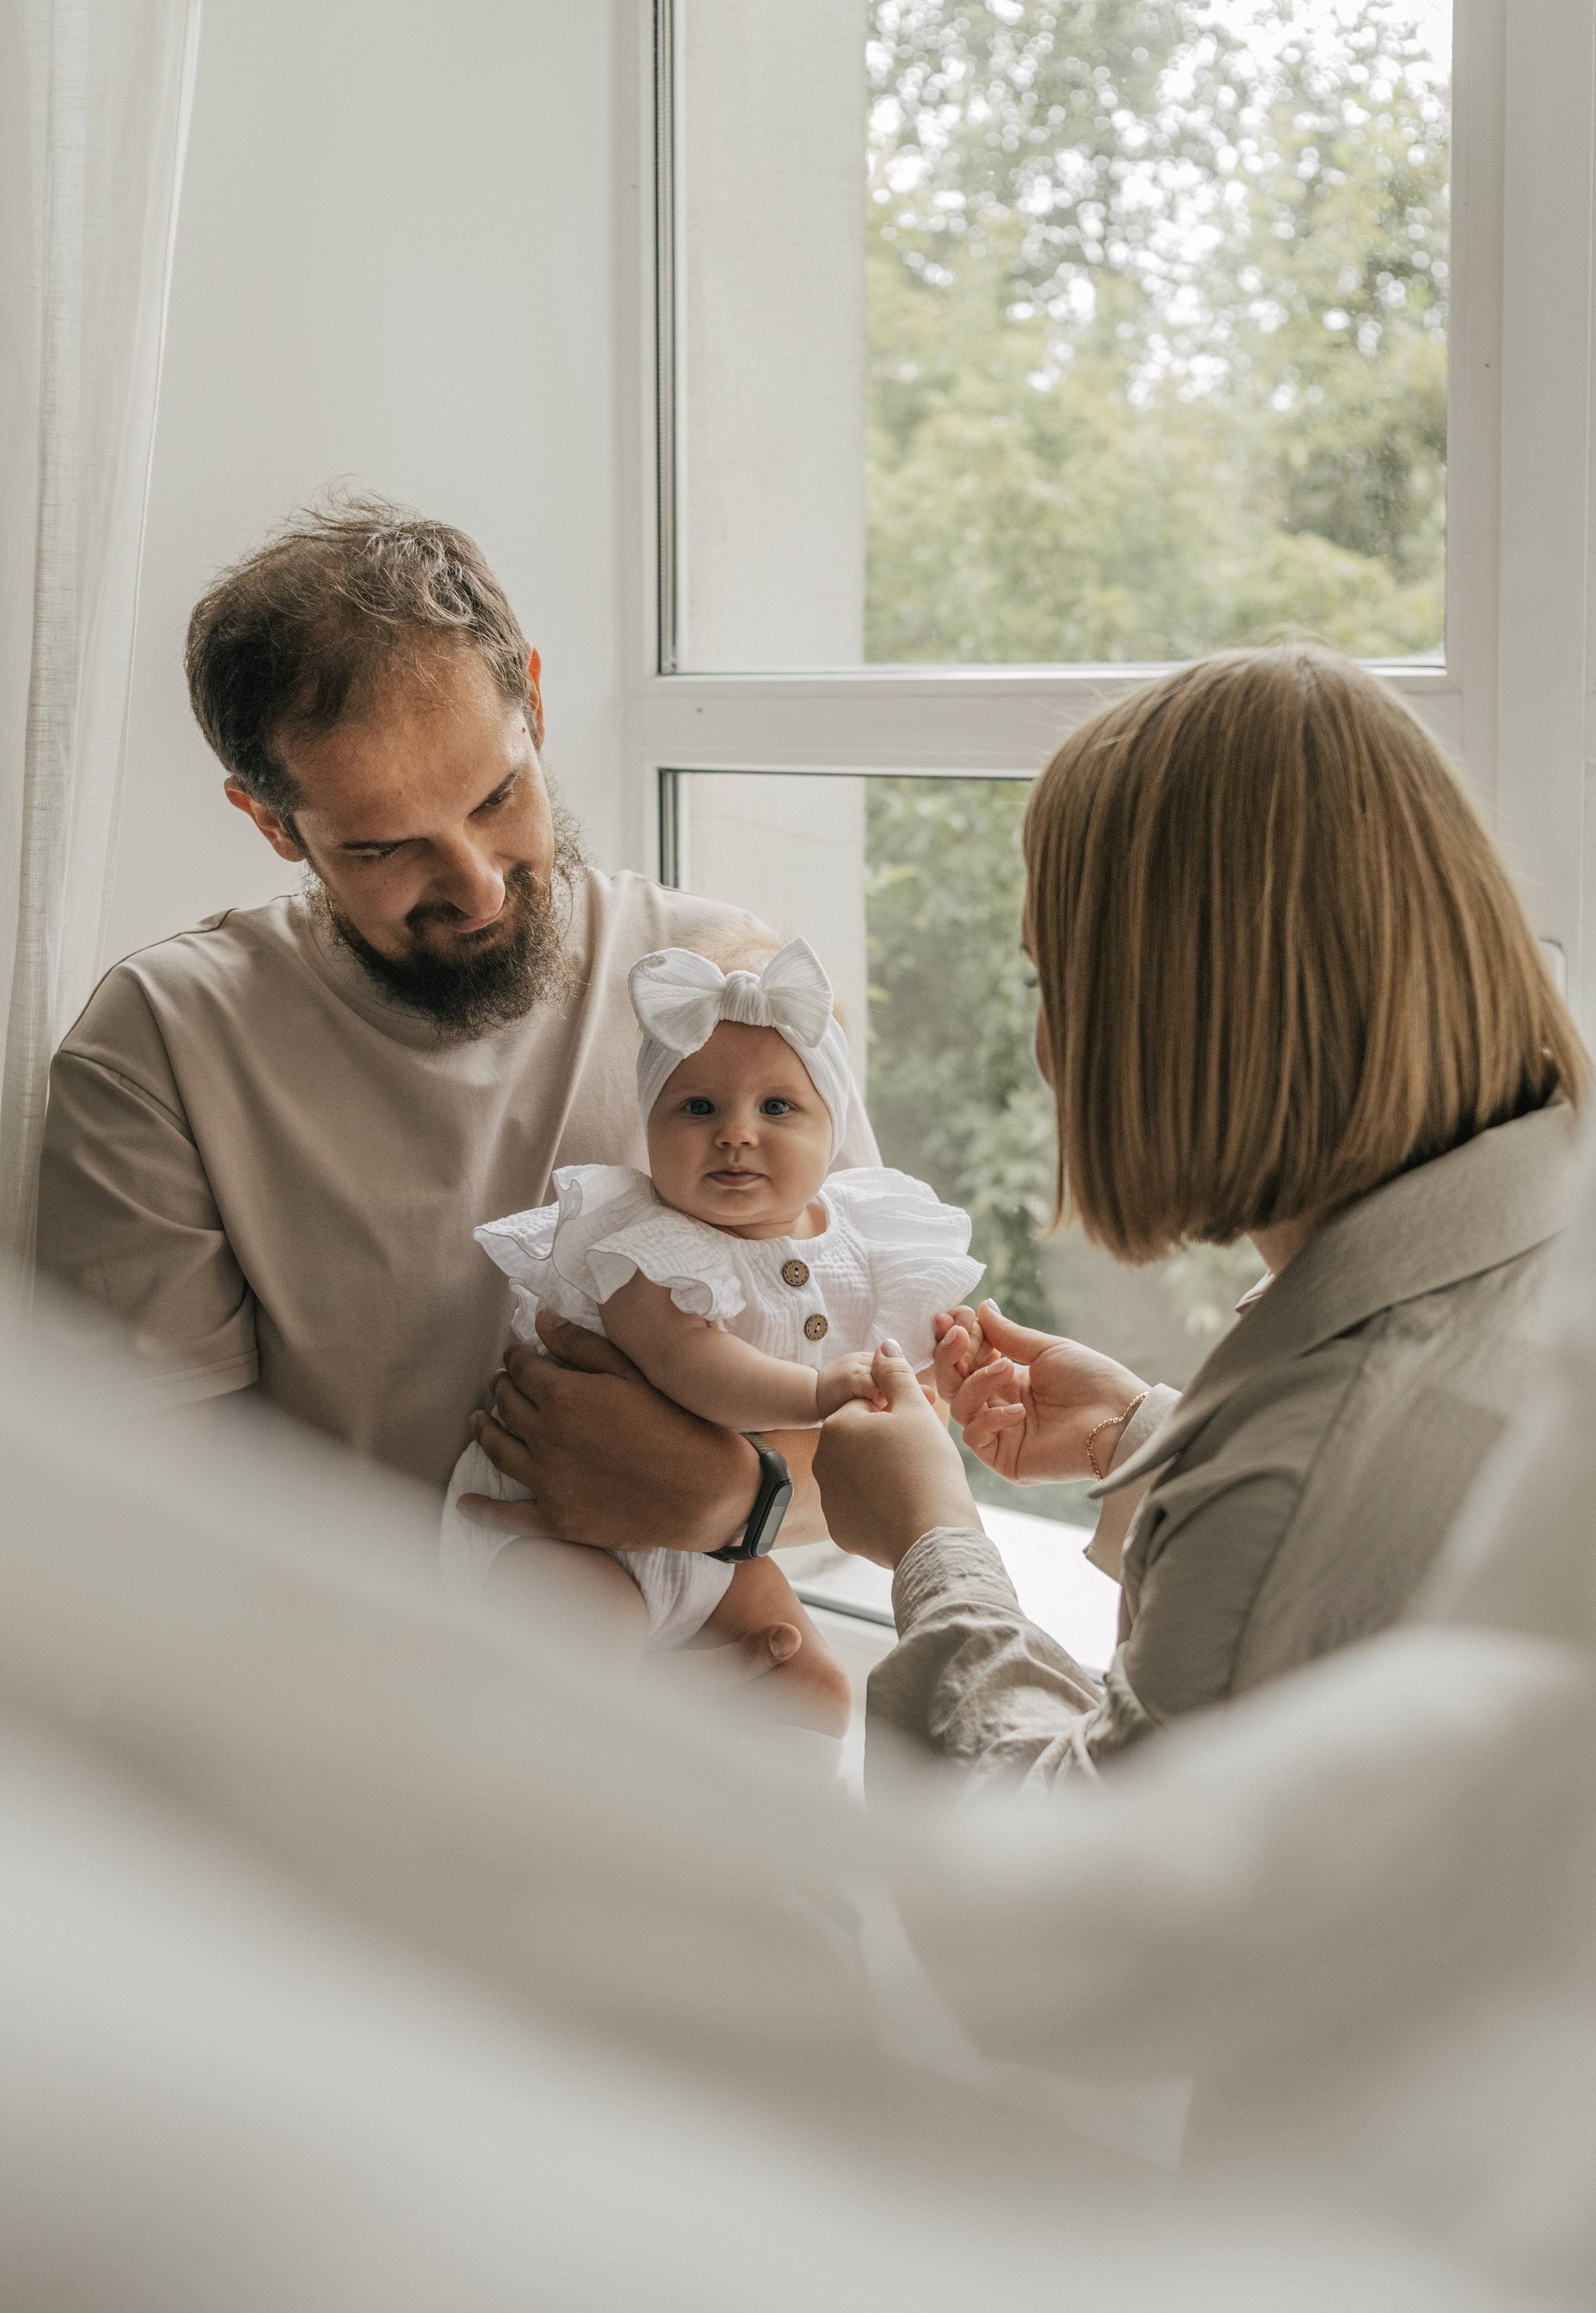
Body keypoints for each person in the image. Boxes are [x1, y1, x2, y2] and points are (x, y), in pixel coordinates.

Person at [36, 497, 879, 1685]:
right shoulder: (163, 1046)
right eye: (383, 848)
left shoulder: (728, 998)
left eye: (497, 798)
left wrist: (731, 1501)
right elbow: (167, 1552)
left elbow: (902, 1452)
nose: (476, 886)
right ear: (270, 820)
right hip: (375, 1773)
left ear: (533, 699)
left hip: (731, 1743)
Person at [812, 645, 1586, 1789]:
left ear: (1163, 1014)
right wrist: (1151, 1440)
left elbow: (1088, 1915)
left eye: (1052, 982)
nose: (1041, 1047)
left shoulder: (1302, 1480)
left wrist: (934, 1544)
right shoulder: (1532, 1251)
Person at [445, 933, 982, 1729]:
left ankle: (792, 1852)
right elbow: (690, 1363)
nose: (735, 1132)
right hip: (557, 1530)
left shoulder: (865, 1241)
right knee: (586, 1652)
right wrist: (815, 1391)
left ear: (830, 1124)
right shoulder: (643, 1242)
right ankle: (628, 1725)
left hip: (716, 1554)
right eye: (697, 1107)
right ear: (651, 1123)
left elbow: (905, 1385)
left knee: (818, 1685)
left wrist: (955, 1362)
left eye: (776, 1107)